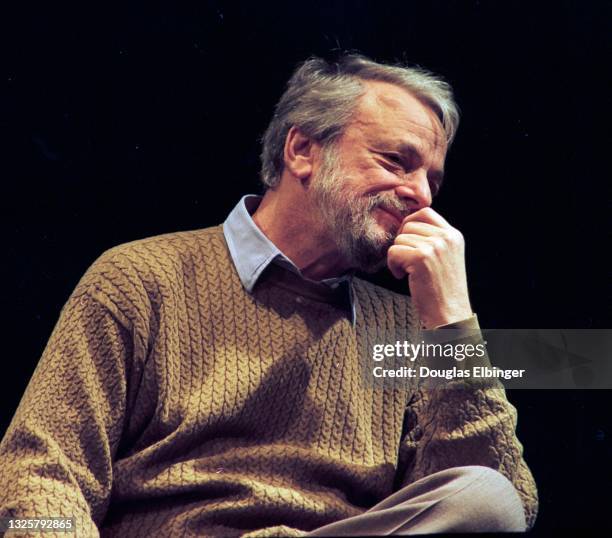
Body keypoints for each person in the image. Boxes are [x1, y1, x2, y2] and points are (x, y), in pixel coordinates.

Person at [0, 54, 537, 536]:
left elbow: (500, 504)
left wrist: (450, 324)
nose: (420, 194)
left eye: (432, 181)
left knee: (486, 496)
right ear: (302, 150)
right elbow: (41, 473)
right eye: (397, 161)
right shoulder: (141, 278)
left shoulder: (406, 330)